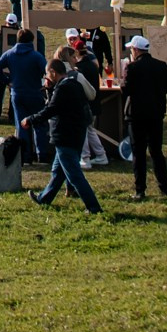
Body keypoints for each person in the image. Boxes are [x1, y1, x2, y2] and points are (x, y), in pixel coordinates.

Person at [14, 55, 102, 214]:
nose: (46, 78)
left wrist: (30, 120)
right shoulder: (73, 84)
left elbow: (51, 110)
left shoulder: (63, 88)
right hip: (75, 134)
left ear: (53, 72)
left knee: (74, 176)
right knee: (58, 172)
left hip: (65, 136)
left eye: (47, 74)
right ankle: (44, 198)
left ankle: (93, 207)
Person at [120, 34, 167, 198]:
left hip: (136, 115)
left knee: (139, 153)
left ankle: (140, 189)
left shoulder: (132, 67)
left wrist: (125, 72)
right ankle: (164, 188)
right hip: (156, 113)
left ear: (135, 50)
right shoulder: (161, 65)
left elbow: (125, 90)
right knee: (157, 152)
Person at [0, 28, 50, 160]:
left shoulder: (10, 54)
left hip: (17, 93)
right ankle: (42, 154)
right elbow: (47, 71)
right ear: (31, 40)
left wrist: (7, 81)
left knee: (21, 125)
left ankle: (25, 154)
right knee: (39, 124)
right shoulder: (36, 56)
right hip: (34, 93)